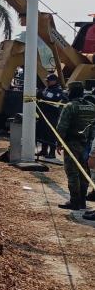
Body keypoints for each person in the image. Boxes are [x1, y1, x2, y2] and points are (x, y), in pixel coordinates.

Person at [56, 81, 95, 210]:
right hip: (87, 145)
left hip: (71, 144)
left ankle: (74, 201)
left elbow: (61, 127)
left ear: (71, 92)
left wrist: (58, 143)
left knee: (73, 173)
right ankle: (82, 200)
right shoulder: (91, 106)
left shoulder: (70, 106)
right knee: (84, 173)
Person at [36, 73, 66, 159]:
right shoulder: (47, 89)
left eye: (49, 81)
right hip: (44, 114)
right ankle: (44, 150)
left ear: (54, 81)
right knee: (43, 133)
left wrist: (43, 97)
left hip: (52, 115)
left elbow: (55, 99)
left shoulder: (58, 91)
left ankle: (52, 152)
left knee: (51, 134)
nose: (47, 82)